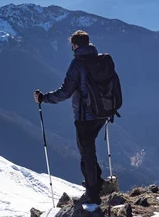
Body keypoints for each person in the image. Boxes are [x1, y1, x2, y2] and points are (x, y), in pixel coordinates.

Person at [33, 30, 105, 205]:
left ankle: (92, 193)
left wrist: (44, 98)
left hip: (84, 116)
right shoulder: (100, 59)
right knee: (89, 149)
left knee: (86, 153)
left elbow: (65, 92)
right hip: (102, 113)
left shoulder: (77, 64)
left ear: (75, 45)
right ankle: (96, 182)